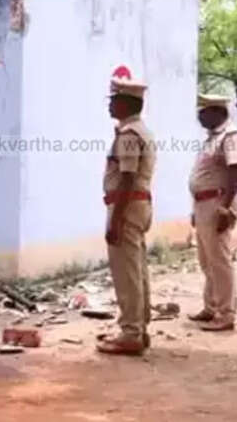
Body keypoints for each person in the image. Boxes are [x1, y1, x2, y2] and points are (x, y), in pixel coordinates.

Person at [97, 77, 156, 356]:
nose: (110, 105)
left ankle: (131, 332)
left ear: (125, 103)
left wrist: (116, 219)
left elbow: (127, 178)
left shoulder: (130, 135)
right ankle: (138, 328)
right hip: (136, 205)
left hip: (128, 206)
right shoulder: (137, 131)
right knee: (137, 268)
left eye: (113, 100)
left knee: (127, 272)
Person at [187, 94, 237, 332]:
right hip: (203, 204)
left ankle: (226, 313)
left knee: (219, 260)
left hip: (217, 203)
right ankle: (211, 307)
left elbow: (235, 171)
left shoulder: (230, 136)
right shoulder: (212, 138)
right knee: (206, 259)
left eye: (204, 112)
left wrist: (225, 207)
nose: (199, 117)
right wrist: (195, 209)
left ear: (218, 112)